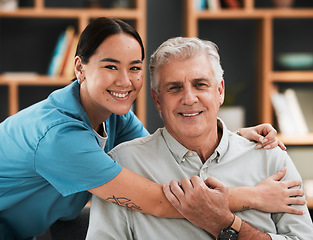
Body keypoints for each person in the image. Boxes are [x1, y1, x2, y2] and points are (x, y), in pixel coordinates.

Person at [0, 17, 290, 240]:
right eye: (111, 67)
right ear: (80, 68)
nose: (125, 81)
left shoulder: (113, 115)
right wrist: (255, 196)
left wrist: (226, 137)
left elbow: (162, 155)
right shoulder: (59, 137)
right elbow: (159, 202)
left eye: (135, 67)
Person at [86, 37, 313, 240]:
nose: (189, 98)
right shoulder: (124, 165)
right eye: (174, 88)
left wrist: (227, 225)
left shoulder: (270, 158)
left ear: (220, 91)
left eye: (200, 84)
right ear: (157, 101)